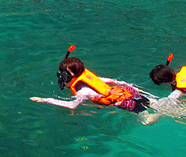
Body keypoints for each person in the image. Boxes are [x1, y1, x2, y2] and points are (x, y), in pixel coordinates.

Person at [30, 46, 158, 124]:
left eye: (65, 76)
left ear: (73, 77)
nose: (62, 79)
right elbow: (110, 80)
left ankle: (161, 114)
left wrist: (44, 100)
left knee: (146, 121)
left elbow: (71, 105)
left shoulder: (82, 92)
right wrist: (129, 85)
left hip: (125, 102)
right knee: (156, 103)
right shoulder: (90, 78)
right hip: (127, 91)